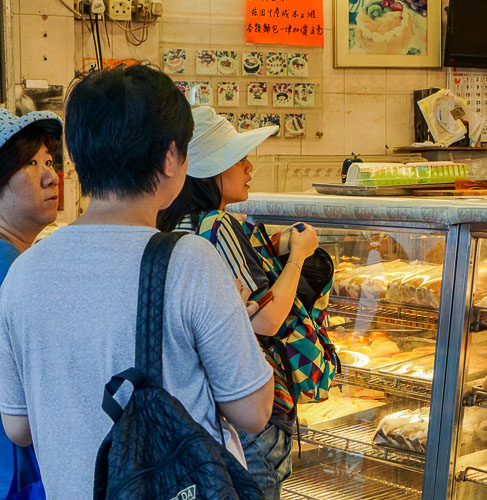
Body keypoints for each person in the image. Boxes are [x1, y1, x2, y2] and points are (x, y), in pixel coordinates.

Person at [0, 65, 274, 499]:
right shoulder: (189, 262)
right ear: (170, 158)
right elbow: (254, 410)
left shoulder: (24, 272)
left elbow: (18, 427)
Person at [157, 106, 320, 500]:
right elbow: (266, 320)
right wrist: (298, 255)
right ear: (213, 171)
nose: (248, 167)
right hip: (250, 415)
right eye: (238, 158)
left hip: (203, 410)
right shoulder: (218, 223)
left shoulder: (171, 226)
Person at [0, 109, 62, 499]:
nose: (50, 175)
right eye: (29, 163)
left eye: (50, 161)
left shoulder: (22, 260)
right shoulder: (8, 267)